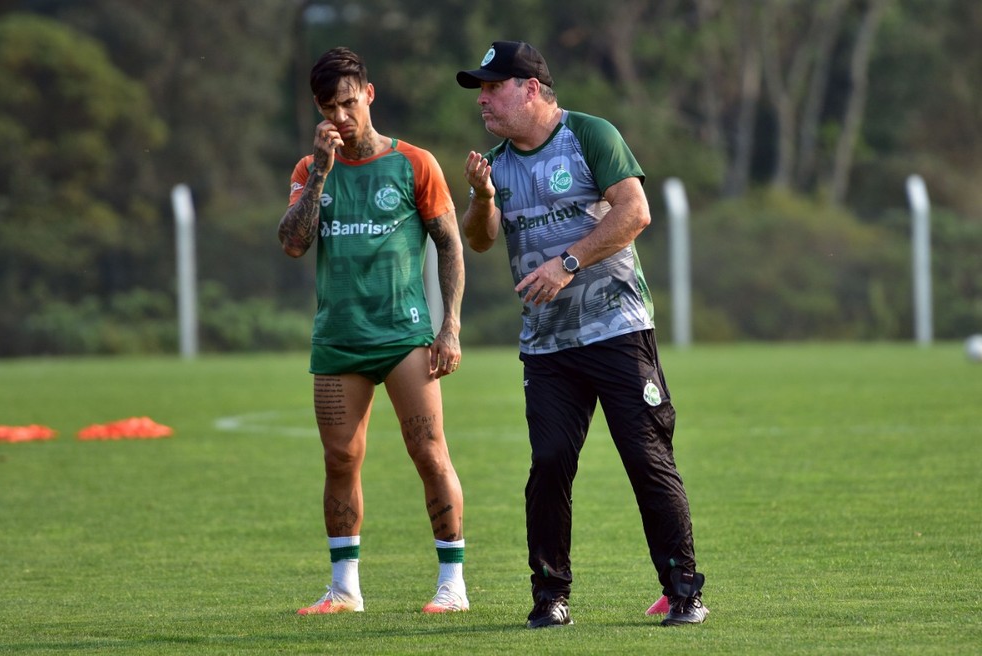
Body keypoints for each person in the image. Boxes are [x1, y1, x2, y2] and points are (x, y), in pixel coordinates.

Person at [455, 41, 708, 628]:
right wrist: (482, 196)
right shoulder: (496, 161)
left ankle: (684, 592)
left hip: (618, 330)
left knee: (646, 459)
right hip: (547, 345)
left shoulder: (590, 135)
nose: (484, 100)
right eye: (481, 91)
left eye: (494, 87)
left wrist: (566, 263)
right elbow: (482, 238)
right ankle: (550, 597)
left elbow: (635, 212)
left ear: (533, 88)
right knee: (548, 464)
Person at [278, 46, 468, 615]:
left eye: (349, 102)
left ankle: (452, 585)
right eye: (328, 107)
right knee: (340, 460)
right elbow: (292, 243)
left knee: (430, 453)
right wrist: (320, 177)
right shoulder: (310, 170)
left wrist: (450, 325)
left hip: (404, 337)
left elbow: (450, 244)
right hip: (338, 339)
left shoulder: (414, 163)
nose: (341, 117)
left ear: (370, 95)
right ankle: (344, 589)